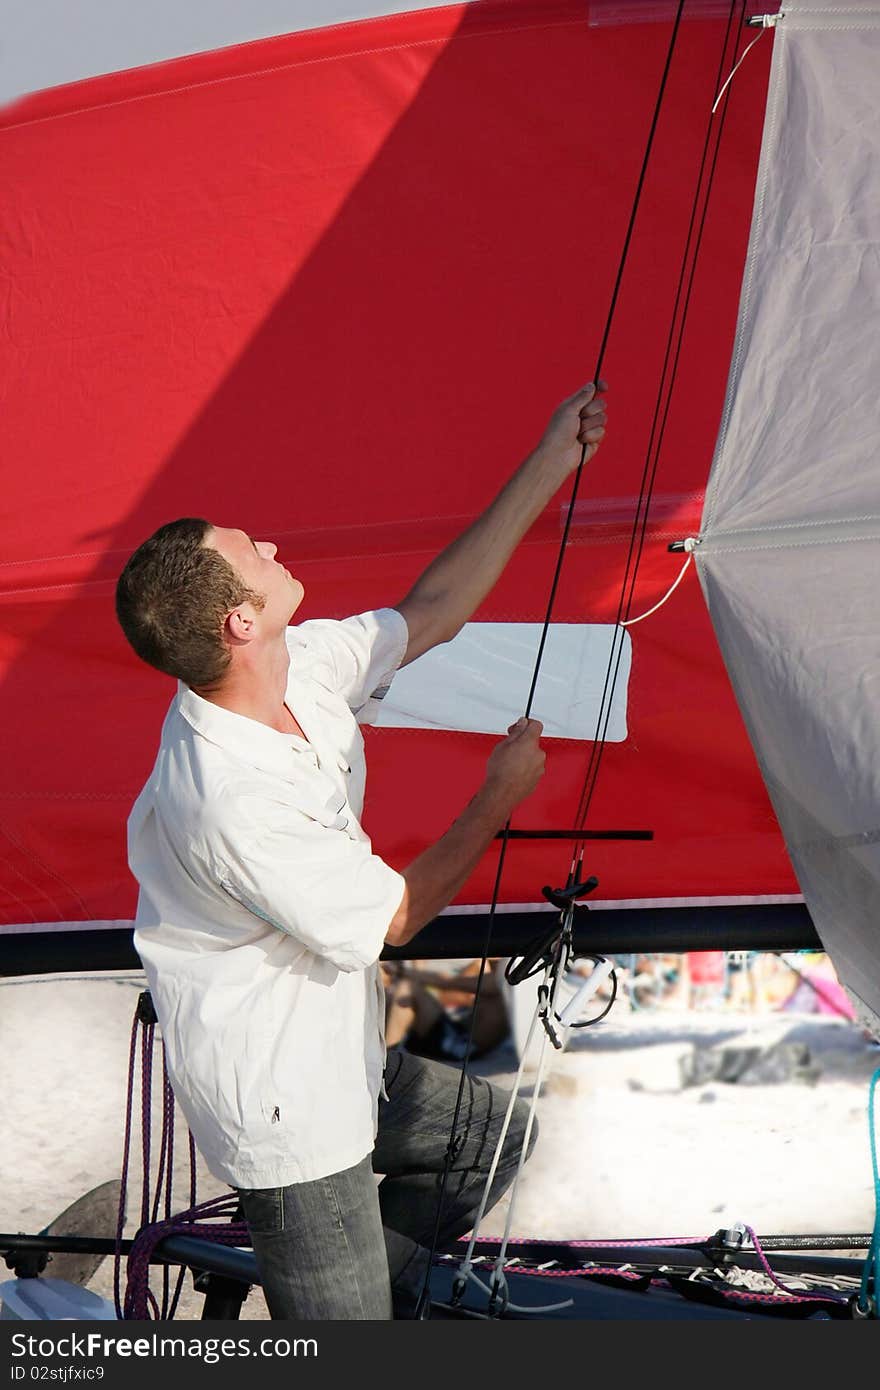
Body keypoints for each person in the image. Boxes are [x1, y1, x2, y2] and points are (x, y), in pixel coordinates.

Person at [114, 381, 608, 1319]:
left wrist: (553, 457)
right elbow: (396, 917)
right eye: (252, 553)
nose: (272, 546)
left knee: (491, 1139)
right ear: (238, 623)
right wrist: (497, 796)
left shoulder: (290, 663)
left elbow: (435, 609)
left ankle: (355, 1298)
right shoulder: (224, 797)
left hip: (346, 1059)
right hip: (292, 1119)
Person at [383, 958, 510, 1061]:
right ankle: (385, 1055)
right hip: (455, 1035)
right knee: (391, 993)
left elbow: (449, 983)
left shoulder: (502, 981)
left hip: (459, 1047)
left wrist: (403, 972)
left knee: (407, 989)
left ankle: (387, 1062)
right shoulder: (504, 979)